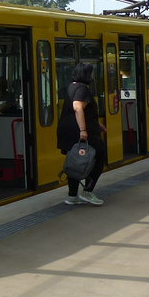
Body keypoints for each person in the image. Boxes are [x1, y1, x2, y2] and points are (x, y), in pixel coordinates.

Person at [56, 62, 107, 206]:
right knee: (99, 157)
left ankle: (72, 196)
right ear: (87, 75)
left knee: (75, 161)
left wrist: (97, 124)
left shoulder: (71, 86)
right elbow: (78, 108)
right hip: (82, 132)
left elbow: (83, 111)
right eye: (91, 73)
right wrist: (83, 130)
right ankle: (88, 191)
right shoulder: (82, 89)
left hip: (68, 130)